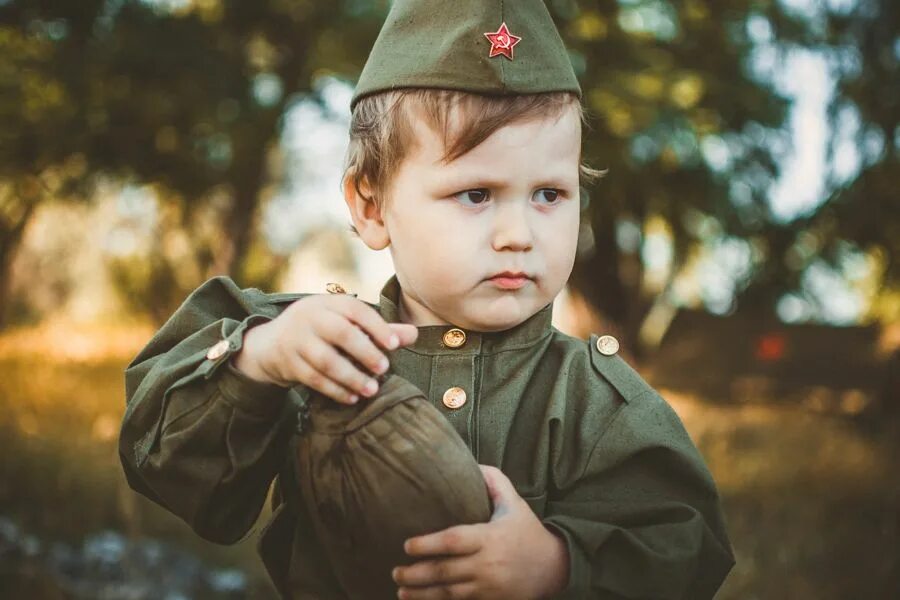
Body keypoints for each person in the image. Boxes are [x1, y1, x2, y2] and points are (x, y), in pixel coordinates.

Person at [119, 0, 736, 598]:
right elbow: (163, 465)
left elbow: (689, 548)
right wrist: (258, 359)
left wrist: (554, 566)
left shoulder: (600, 402)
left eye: (550, 194)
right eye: (475, 194)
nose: (519, 235)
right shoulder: (317, 350)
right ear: (371, 206)